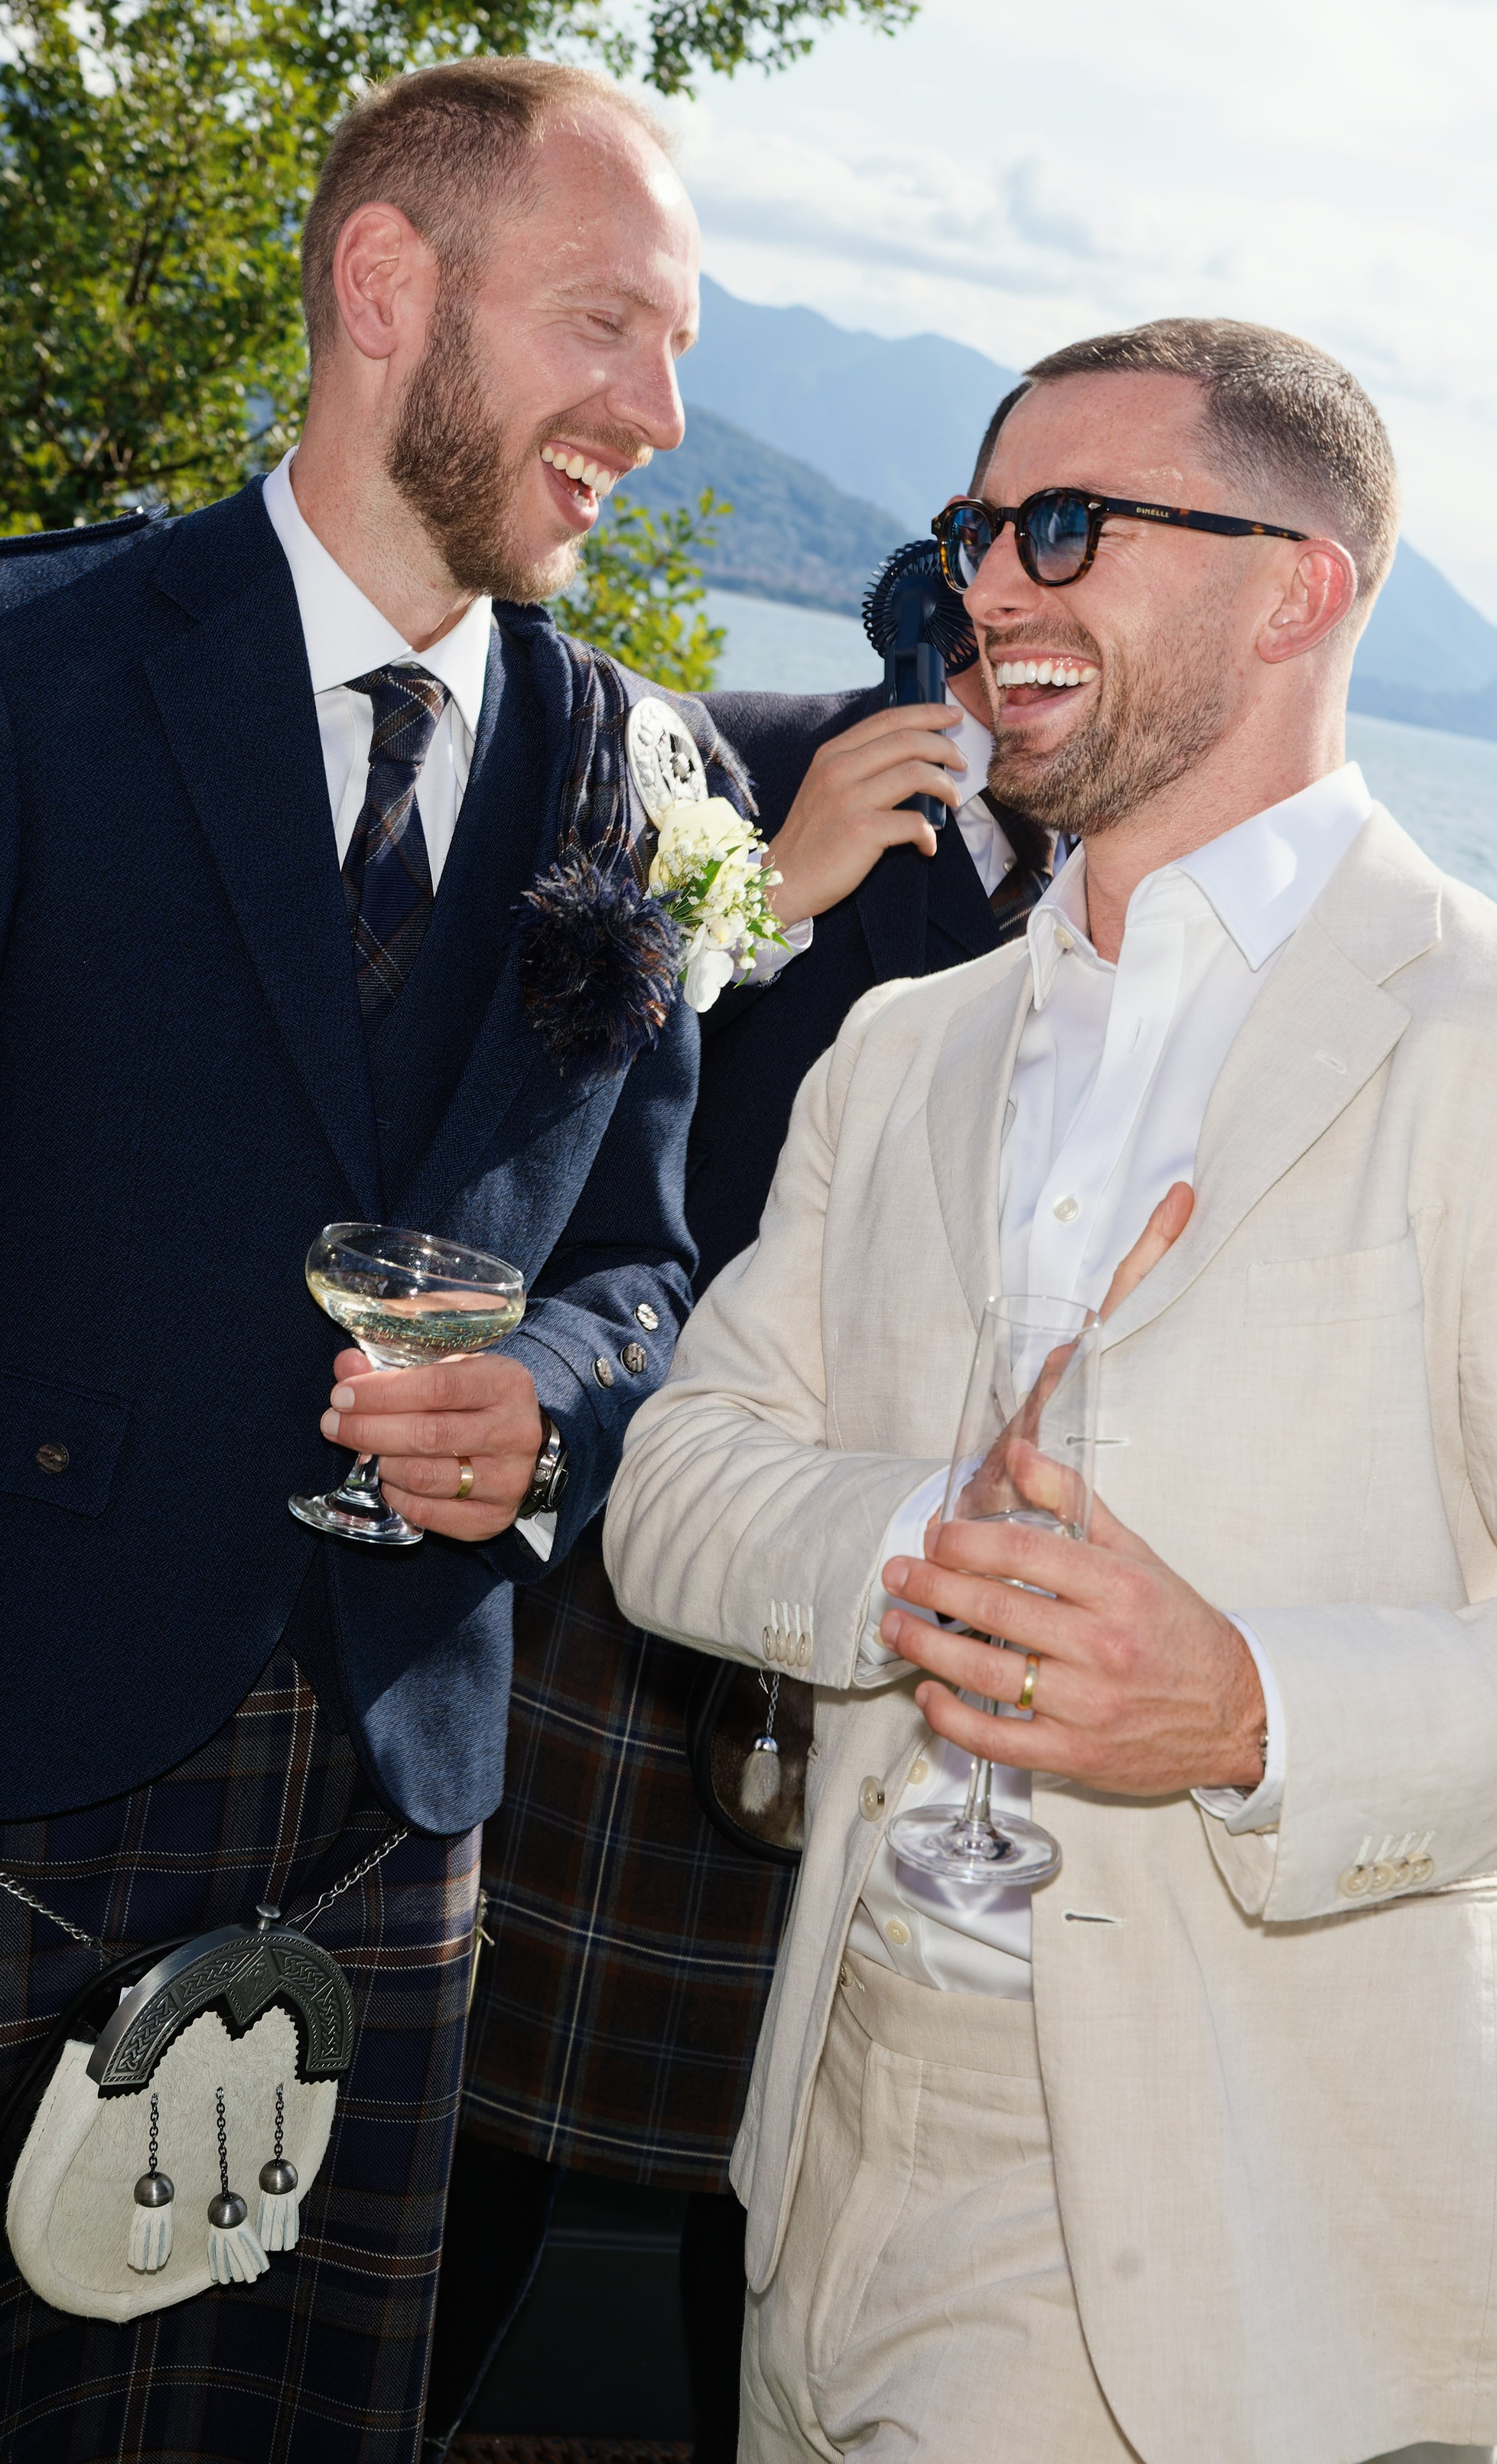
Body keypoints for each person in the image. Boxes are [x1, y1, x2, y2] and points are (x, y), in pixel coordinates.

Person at [0, 57, 727, 2462]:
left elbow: (640, 1262)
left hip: (392, 1813)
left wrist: (555, 1406)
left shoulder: (633, 776)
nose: (660, 414)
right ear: (388, 286)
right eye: (609, 326)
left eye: (679, 349)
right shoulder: (5, 670)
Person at [607, 315, 1497, 2464]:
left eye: (1071, 528)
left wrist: (1251, 1710)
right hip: (828, 2166)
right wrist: (928, 1544)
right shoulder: (900, 1053)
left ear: (1302, 586)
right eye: (980, 530)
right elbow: (671, 1492)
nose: (994, 587)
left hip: (1234, 2221)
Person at [426, 531, 1051, 2461]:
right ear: (931, 606)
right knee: (477, 2143)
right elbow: (510, 1126)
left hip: (924, 1620)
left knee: (790, 2169)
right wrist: (759, 905)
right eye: (981, 606)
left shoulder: (1134, 895)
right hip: (641, 1566)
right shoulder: (705, 759)